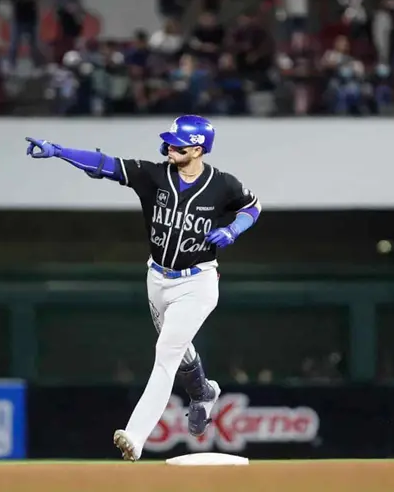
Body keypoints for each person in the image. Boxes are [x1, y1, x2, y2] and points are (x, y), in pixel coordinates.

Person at [25, 115, 262, 462]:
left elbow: (252, 206)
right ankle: (203, 391)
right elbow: (106, 164)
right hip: (157, 277)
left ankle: (136, 436)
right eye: (168, 142)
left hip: (198, 281)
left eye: (177, 144)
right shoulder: (154, 175)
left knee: (166, 352)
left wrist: (234, 230)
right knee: (178, 347)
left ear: (198, 149)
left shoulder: (222, 184)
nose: (169, 147)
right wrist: (58, 151)